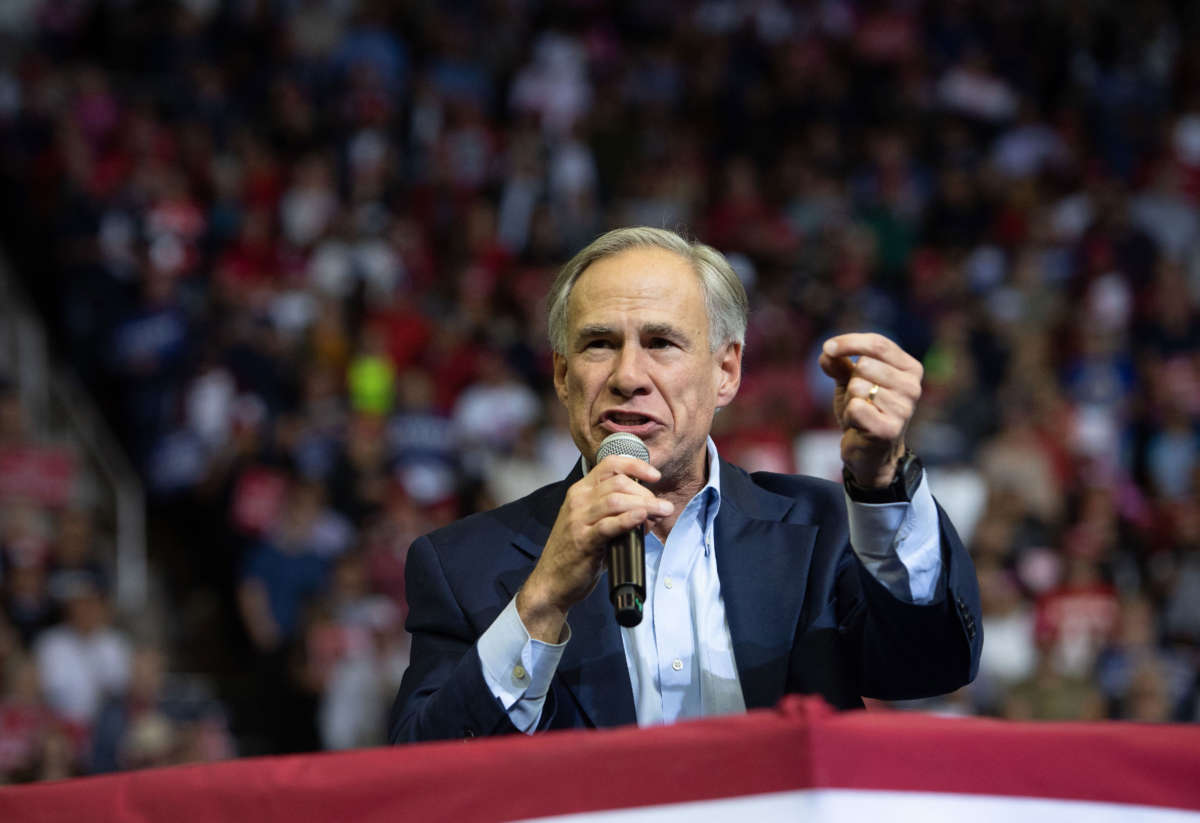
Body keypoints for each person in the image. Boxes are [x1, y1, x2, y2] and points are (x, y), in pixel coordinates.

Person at [389, 227, 981, 741]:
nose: (627, 376)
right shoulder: (461, 564)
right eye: (599, 344)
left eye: (661, 343)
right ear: (563, 377)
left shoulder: (819, 532)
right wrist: (541, 601)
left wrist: (881, 481)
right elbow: (426, 779)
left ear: (726, 372)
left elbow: (931, 664)